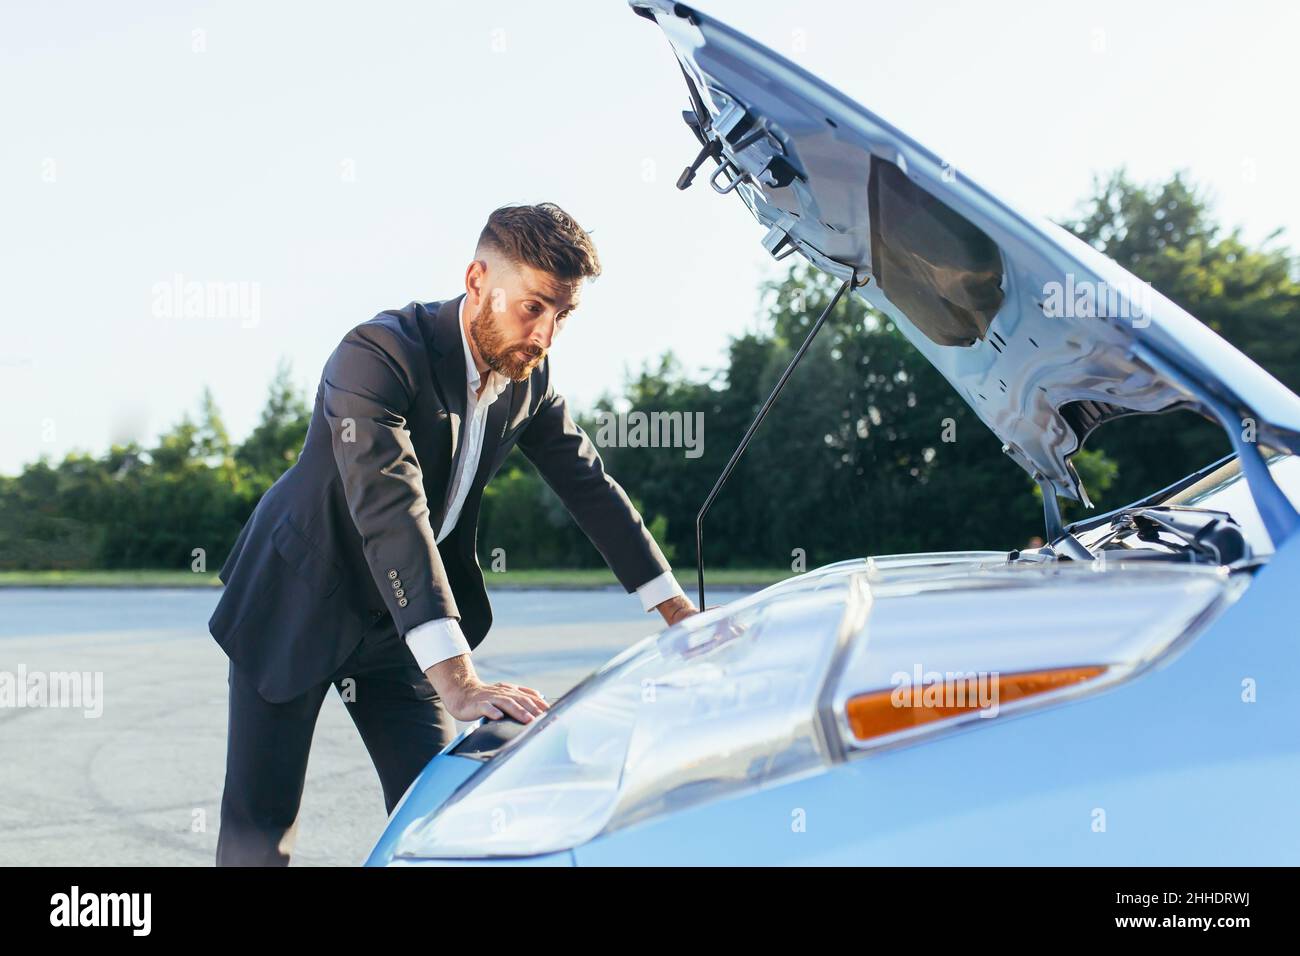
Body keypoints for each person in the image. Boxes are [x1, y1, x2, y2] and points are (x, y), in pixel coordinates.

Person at [210, 202, 698, 865]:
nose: (546, 334)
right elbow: (392, 507)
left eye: (563, 314)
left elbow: (588, 485)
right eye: (533, 307)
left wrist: (678, 613)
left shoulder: (531, 378)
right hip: (296, 601)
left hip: (397, 626)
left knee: (441, 817)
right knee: (259, 833)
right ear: (476, 282)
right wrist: (461, 679)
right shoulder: (377, 355)